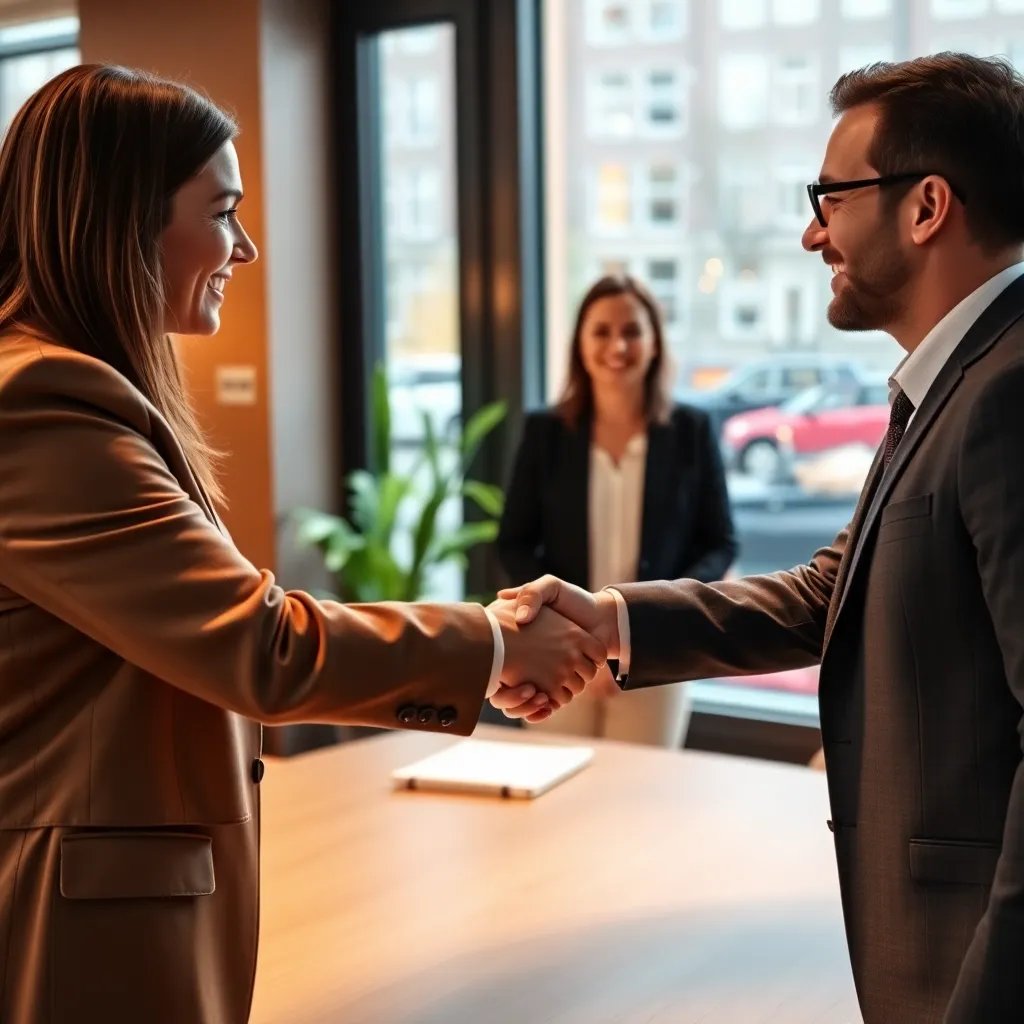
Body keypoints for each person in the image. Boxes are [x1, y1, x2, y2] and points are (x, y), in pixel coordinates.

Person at [0, 65, 600, 1024]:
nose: (245, 246)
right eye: (223, 210)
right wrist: (494, 645)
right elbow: (258, 646)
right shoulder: (41, 408)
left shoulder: (71, 391)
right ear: (125, 219)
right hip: (76, 930)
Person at [494, 53, 1024, 1024]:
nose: (811, 229)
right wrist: (608, 617)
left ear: (926, 206)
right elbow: (831, 592)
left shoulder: (1006, 392)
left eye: (829, 195)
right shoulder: (949, 382)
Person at [497, 274, 736, 746]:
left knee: (640, 800)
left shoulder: (691, 430)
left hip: (658, 653)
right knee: (557, 800)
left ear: (653, 343)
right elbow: (514, 542)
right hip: (557, 651)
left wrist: (655, 622)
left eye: (632, 331)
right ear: (580, 343)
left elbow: (719, 543)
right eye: (601, 331)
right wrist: (570, 634)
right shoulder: (545, 432)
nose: (617, 346)